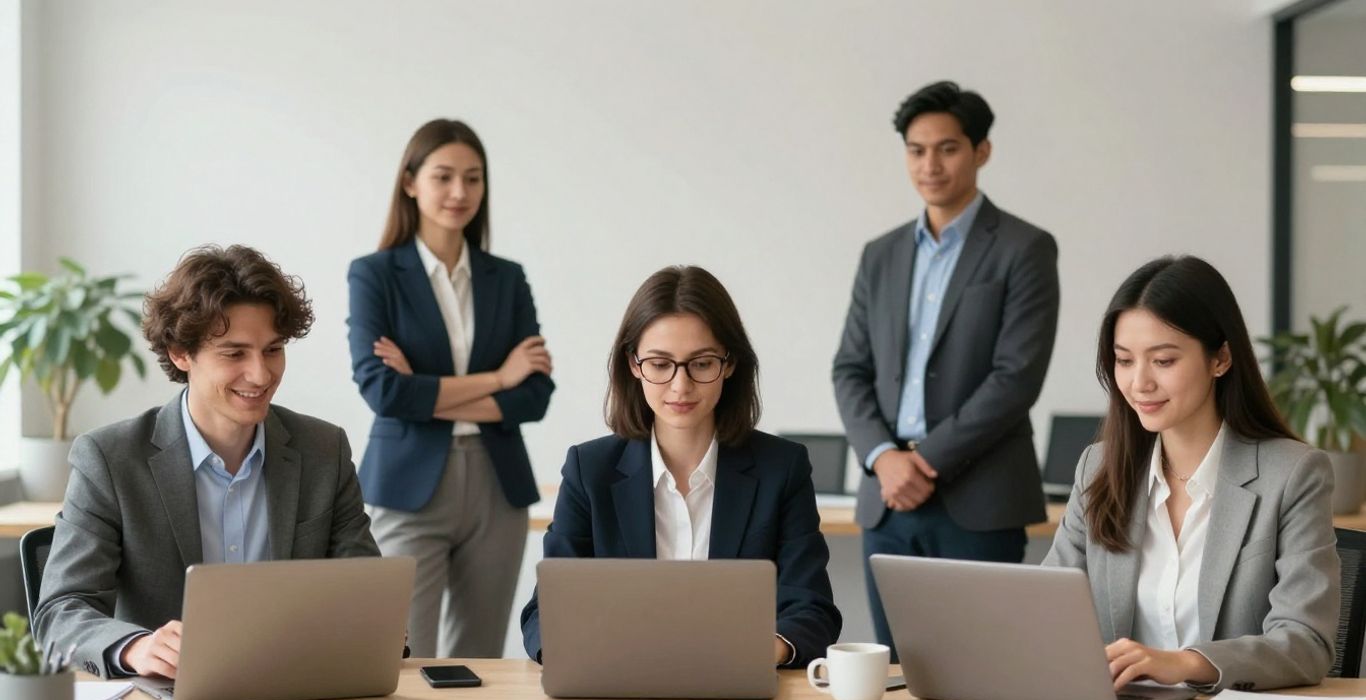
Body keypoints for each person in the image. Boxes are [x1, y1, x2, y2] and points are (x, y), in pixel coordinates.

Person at [34, 245, 381, 680]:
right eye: (234, 354)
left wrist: (379, 628)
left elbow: (366, 594)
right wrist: (136, 648)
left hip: (294, 694)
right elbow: (60, 613)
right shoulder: (110, 459)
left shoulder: (323, 450)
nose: (261, 374)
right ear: (181, 354)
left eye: (272, 350)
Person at [831, 81, 1060, 653]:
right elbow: (849, 369)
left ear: (982, 151)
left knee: (980, 670)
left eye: (948, 148)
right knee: (896, 671)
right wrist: (885, 459)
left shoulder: (1024, 248)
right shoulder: (880, 255)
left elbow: (1016, 377)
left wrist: (924, 461)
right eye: (916, 149)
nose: (929, 164)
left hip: (978, 497)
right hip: (886, 500)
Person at [520, 266, 841, 667]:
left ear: (730, 364)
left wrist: (756, 653)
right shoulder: (590, 470)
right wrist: (583, 655)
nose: (680, 386)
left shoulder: (782, 468)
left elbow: (812, 607)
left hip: (740, 689)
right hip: (618, 688)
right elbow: (545, 611)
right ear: (634, 365)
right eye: (660, 364)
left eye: (701, 364)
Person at [1044, 256, 1339, 692]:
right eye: (1124, 361)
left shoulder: (1293, 474)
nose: (1138, 382)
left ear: (1220, 358)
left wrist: (1185, 663)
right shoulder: (1099, 468)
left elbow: (1305, 643)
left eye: (1163, 361)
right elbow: (1043, 609)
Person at [348, 119, 554, 659]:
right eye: (444, 176)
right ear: (411, 182)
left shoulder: (506, 278)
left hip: (497, 484)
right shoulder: (375, 276)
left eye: (473, 178)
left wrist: (424, 387)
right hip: (408, 485)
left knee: (480, 657)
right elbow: (384, 394)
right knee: (404, 655)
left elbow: (534, 396)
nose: (460, 192)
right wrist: (497, 379)